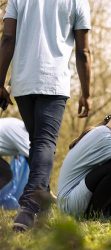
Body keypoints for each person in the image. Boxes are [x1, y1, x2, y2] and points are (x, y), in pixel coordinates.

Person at [0, 0, 92, 231]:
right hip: (54, 82)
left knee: (37, 144)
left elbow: (7, 39)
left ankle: (43, 199)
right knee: (44, 143)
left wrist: (0, 81)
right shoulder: (78, 2)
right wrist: (87, 93)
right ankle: (29, 207)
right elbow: (83, 51)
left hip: (22, 83)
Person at [0, 118, 29, 190]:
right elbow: (36, 160)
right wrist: (45, 188)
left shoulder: (19, 126)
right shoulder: (23, 133)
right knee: (5, 174)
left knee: (4, 173)